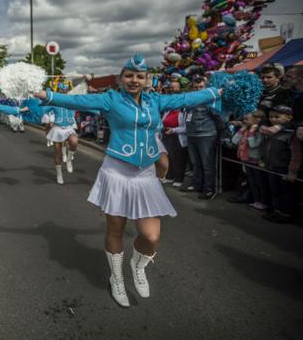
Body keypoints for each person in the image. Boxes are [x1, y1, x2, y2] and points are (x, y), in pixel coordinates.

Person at [34, 54, 222, 308]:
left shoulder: (155, 100)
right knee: (116, 230)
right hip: (117, 173)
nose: (134, 80)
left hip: (145, 175)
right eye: (129, 75)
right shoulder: (110, 99)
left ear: (147, 80)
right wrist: (46, 95)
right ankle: (117, 278)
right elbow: (78, 99)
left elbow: (186, 98)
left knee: (151, 236)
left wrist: (216, 91)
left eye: (140, 76)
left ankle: (138, 264)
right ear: (121, 79)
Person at [184, 76, 225, 199]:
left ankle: (209, 189)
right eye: (196, 87)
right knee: (195, 163)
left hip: (206, 136)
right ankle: (197, 184)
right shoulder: (191, 100)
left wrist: (220, 134)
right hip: (191, 135)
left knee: (207, 164)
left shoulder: (211, 100)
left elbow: (219, 119)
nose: (198, 89)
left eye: (201, 87)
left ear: (206, 87)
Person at [260, 105, 300, 223]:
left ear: (289, 117)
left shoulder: (292, 134)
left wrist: (293, 172)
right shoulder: (272, 131)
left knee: (286, 192)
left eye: (277, 117)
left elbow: (296, 155)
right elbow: (266, 148)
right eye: (271, 117)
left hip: (284, 168)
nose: (273, 119)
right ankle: (277, 211)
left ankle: (286, 214)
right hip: (272, 167)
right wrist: (263, 160)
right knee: (275, 190)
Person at [40, 78, 79, 184]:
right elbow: (42, 109)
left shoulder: (72, 101)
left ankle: (70, 158)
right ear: (58, 92)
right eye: (61, 91)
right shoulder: (55, 102)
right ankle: (59, 174)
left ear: (67, 91)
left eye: (65, 91)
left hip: (69, 127)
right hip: (57, 128)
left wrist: (98, 109)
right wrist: (41, 103)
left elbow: (85, 105)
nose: (63, 93)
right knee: (57, 152)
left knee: (74, 141)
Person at [230, 110, 267, 210]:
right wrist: (242, 129)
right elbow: (234, 141)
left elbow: (254, 144)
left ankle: (262, 202)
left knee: (259, 182)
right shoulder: (245, 129)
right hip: (246, 158)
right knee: (251, 181)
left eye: (247, 119)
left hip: (255, 159)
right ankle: (255, 200)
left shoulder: (259, 131)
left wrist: (251, 133)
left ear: (256, 120)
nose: (244, 121)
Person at [161, 80, 188, 188]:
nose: (172, 89)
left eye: (175, 87)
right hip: (167, 135)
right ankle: (170, 176)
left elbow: (186, 127)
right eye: (170, 87)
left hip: (178, 136)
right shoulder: (168, 107)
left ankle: (179, 179)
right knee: (170, 157)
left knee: (179, 158)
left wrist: (174, 130)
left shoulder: (184, 108)